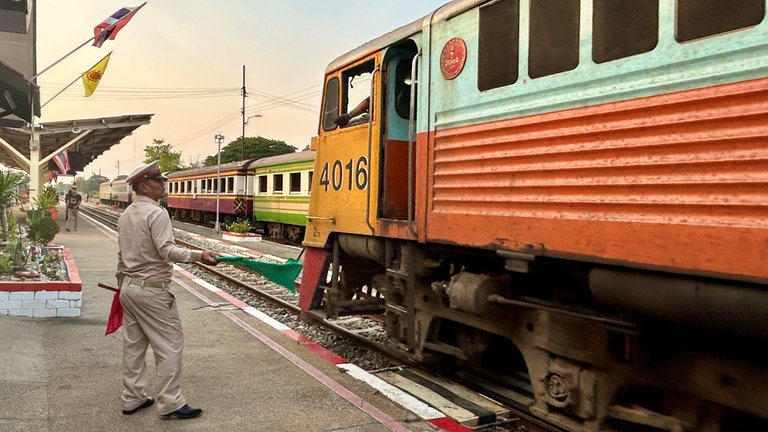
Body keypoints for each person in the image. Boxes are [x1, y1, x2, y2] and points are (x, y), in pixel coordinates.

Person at [115, 161, 218, 420]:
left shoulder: (127, 214)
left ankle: (133, 397)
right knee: (170, 345)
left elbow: (121, 254)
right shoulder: (157, 213)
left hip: (129, 287)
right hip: (152, 291)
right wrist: (198, 254)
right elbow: (167, 250)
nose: (163, 184)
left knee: (134, 347)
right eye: (158, 181)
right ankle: (170, 402)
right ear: (144, 185)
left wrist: (121, 287)